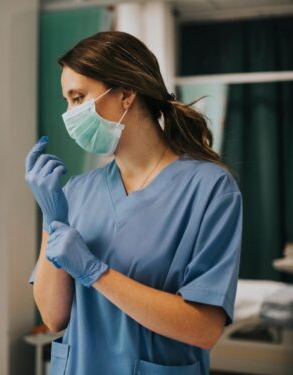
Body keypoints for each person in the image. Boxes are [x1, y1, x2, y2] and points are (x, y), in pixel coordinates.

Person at [24, 31, 242, 375]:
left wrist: (95, 272)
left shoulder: (209, 188)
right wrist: (52, 220)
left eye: (78, 98)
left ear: (126, 94)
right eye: (66, 100)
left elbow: (204, 329)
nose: (69, 114)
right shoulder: (76, 192)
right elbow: (53, 318)